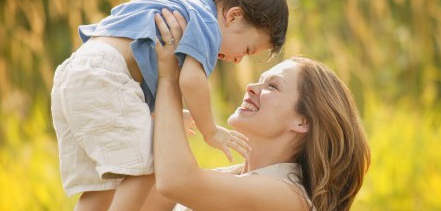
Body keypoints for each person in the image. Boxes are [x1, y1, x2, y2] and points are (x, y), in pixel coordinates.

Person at [50, 0, 289, 210]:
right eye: (247, 49)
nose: (239, 59)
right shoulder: (206, 24)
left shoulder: (177, 4)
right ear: (233, 16)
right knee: (152, 162)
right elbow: (191, 80)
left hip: (75, 73)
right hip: (106, 75)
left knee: (100, 187)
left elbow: (136, 57)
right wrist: (210, 131)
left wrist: (164, 114)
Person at [146, 15, 371, 210]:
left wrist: (168, 78)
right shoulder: (236, 176)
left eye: (273, 86)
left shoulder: (290, 197)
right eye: (260, 81)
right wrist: (159, 120)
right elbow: (152, 194)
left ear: (302, 121)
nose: (251, 87)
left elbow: (175, 182)